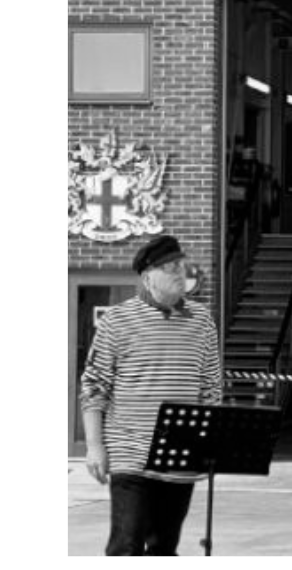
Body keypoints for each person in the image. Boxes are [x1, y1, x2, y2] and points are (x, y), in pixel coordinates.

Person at [79, 235, 223, 555]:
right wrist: (94, 446)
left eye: (181, 266)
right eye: (169, 268)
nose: (178, 273)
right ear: (148, 277)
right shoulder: (117, 321)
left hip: (180, 455)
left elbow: (211, 387)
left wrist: (207, 441)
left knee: (163, 547)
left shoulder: (202, 321)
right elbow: (93, 386)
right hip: (130, 453)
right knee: (126, 546)